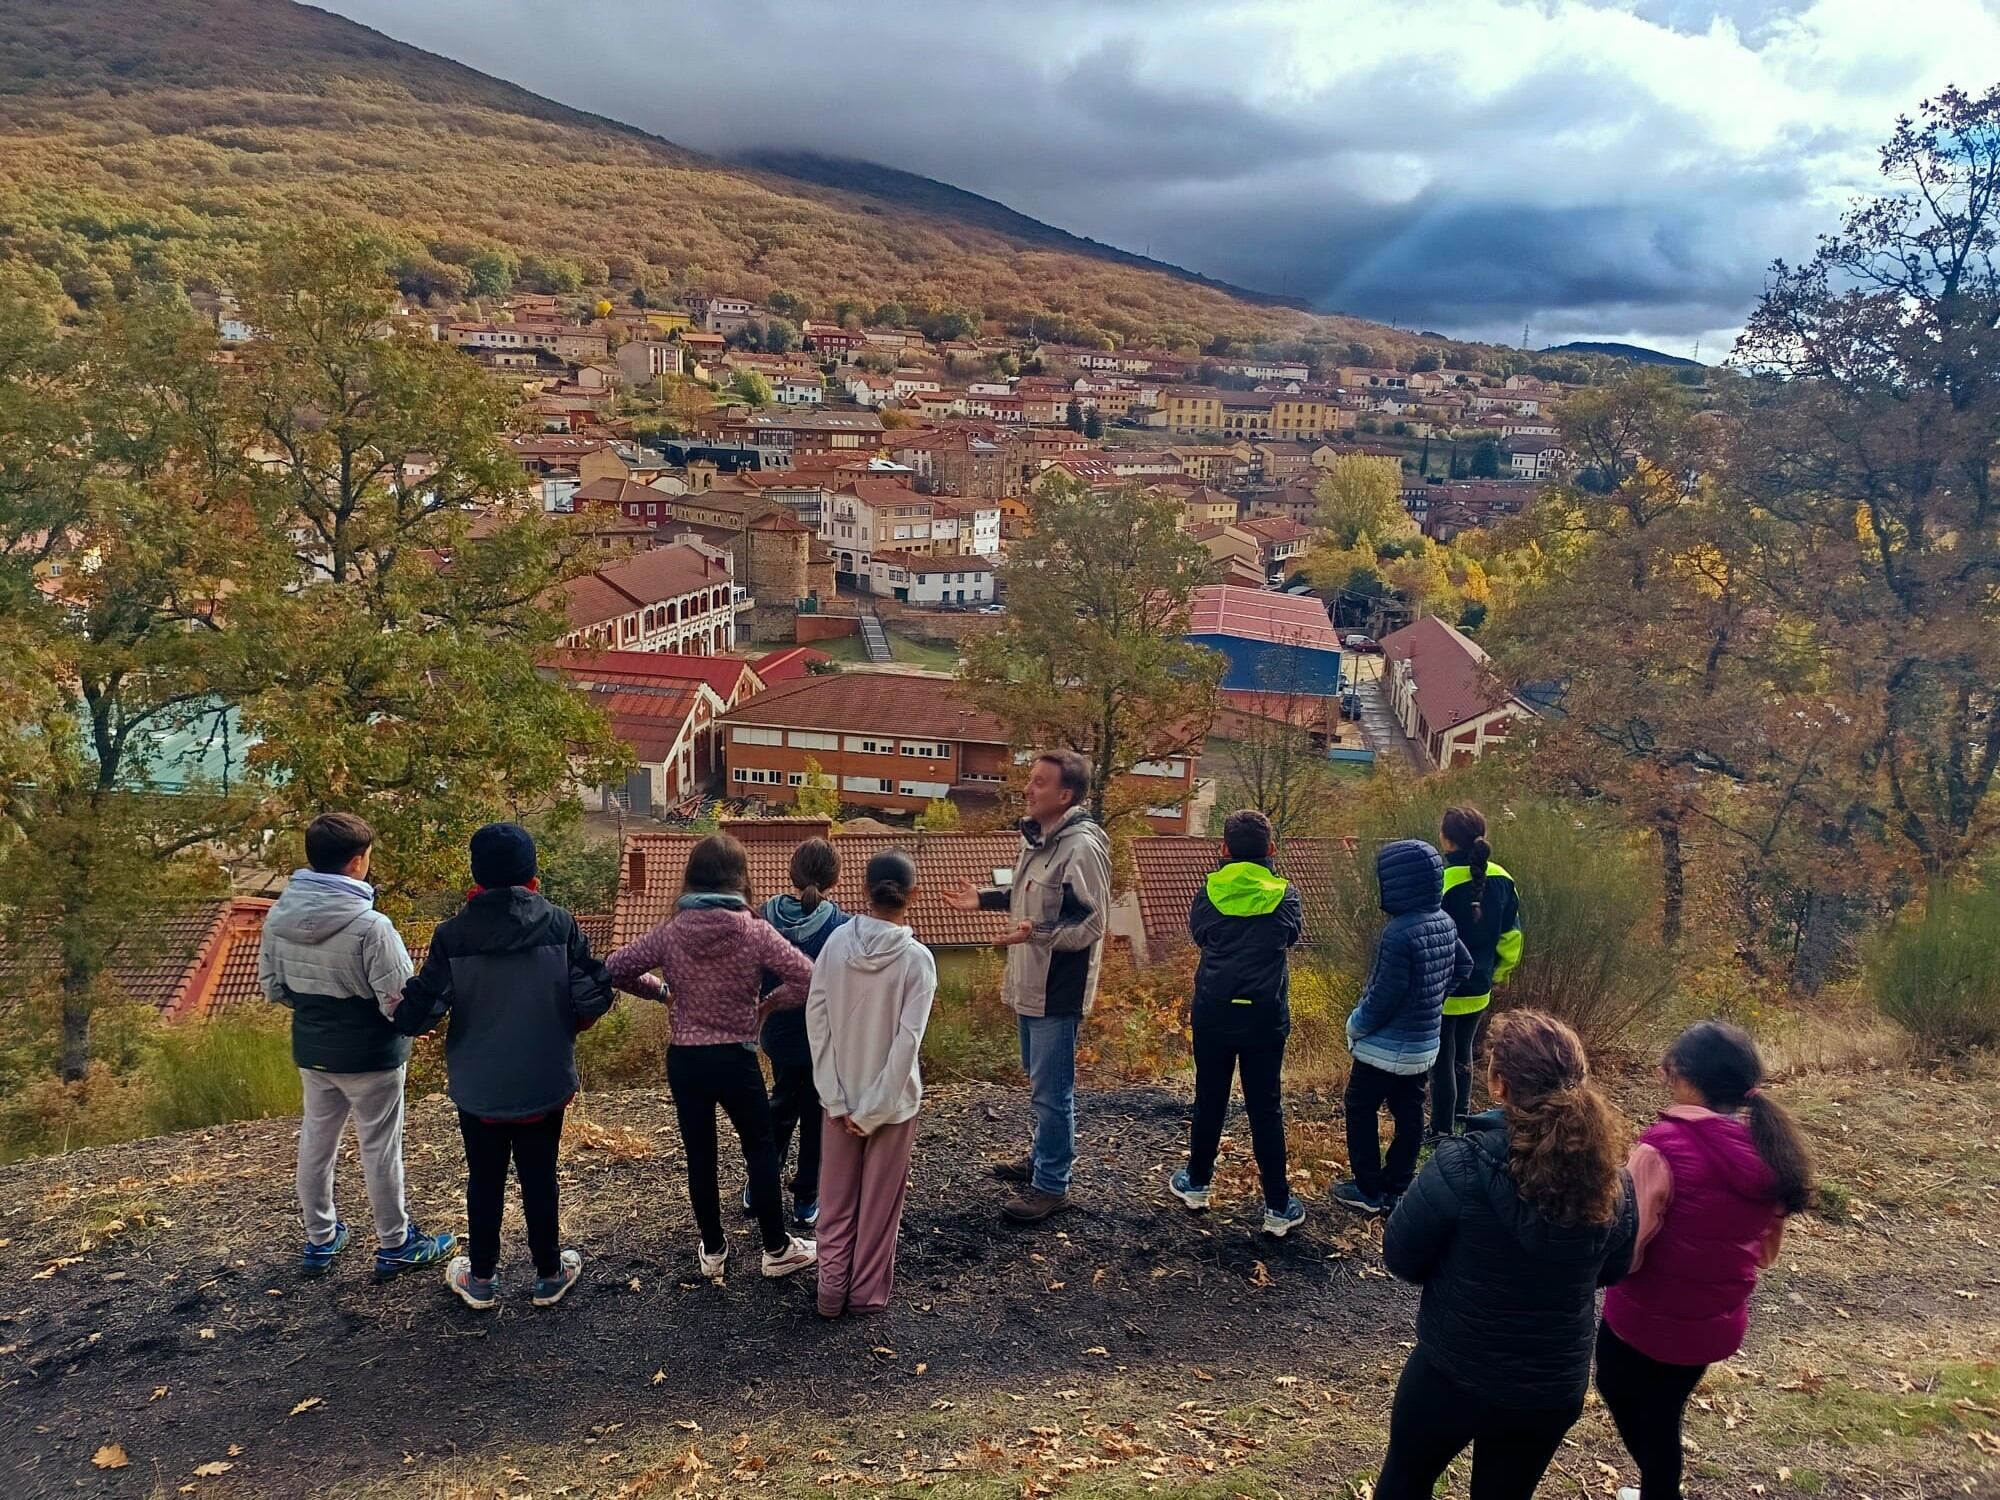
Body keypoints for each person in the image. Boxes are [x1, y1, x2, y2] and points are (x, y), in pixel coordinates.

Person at [1374, 1010, 1637, 1500]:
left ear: (1499, 1085)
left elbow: (1401, 1255)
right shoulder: (1613, 1181)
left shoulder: (1460, 1164)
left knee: (1404, 1484)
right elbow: (1615, 1268)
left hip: (1452, 1373)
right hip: (1549, 1389)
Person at [390, 824, 614, 1310]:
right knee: (541, 1175)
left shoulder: (452, 936)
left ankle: (482, 1278)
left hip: (480, 1088)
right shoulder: (560, 924)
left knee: (484, 1178)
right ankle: (549, 1273)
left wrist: (402, 1011)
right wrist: (571, 1024)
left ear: (477, 877)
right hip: (545, 1079)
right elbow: (594, 994)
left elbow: (419, 1014)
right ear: (533, 877)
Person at [1598, 1021, 1813, 1500]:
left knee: (1618, 1389)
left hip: (1643, 1319)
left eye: (1668, 1069)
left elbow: (1628, 1251)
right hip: (1712, 1326)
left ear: (1682, 1075)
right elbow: (1766, 1253)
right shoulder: (1770, 1151)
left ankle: (1660, 1491)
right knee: (1663, 1412)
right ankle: (1658, 1487)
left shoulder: (1660, 1149)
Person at [606, 833, 819, 1281]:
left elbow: (615, 969)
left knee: (699, 1154)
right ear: (740, 877)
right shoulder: (755, 931)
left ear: (693, 875)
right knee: (760, 1148)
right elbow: (808, 977)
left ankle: (714, 1248)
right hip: (736, 1059)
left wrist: (662, 992)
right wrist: (768, 1005)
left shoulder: (671, 932)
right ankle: (776, 1249)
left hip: (686, 1060)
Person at [258, 811, 453, 1279]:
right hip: (372, 1055)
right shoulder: (371, 926)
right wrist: (415, 1023)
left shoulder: (277, 916)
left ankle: (320, 1238)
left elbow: (273, 987)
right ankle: (395, 1242)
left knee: (316, 1141)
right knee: (379, 1147)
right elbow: (397, 1000)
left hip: (313, 1049)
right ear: (356, 862)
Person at [944, 749, 1113, 1224]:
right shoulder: (1039, 838)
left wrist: (1036, 934)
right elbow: (1030, 896)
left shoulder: (1082, 848)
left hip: (1058, 989)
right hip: (1029, 980)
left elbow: (1091, 922)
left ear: (1066, 795)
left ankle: (1053, 1185)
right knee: (1039, 1081)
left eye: (1040, 782)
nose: (1027, 788)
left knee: (1052, 1092)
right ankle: (1041, 1158)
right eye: (1030, 778)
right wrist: (984, 898)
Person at [806, 850, 936, 1318]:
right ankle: (865, 1297)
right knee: (879, 1209)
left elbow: (816, 1020)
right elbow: (907, 1044)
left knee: (835, 1201)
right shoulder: (918, 961)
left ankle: (829, 1294)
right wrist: (875, 1109)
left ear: (864, 889)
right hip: (894, 1107)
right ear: (913, 895)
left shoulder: (836, 943)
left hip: (838, 1096)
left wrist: (834, 1096)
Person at [1169, 809, 1308, 1236]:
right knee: (1265, 1105)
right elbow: (1290, 937)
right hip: (1265, 1016)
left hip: (1214, 1012)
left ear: (1225, 848)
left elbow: (1200, 936)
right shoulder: (1286, 896)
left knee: (1210, 1096)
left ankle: (1197, 1184)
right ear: (1271, 850)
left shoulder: (1208, 892)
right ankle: (1278, 1206)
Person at [1332, 839, 1472, 1215]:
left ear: (1397, 883)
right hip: (1423, 1046)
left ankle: (1367, 1190)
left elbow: (1383, 995)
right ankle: (1397, 1186)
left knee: (1360, 1108)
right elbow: (1465, 966)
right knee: (1409, 1111)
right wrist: (1434, 999)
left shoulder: (1398, 932)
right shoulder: (1445, 922)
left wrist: (1355, 1025)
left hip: (1383, 1048)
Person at [747, 838, 851, 1233]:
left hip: (777, 1034)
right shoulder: (841, 927)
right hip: (824, 1039)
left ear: (791, 873)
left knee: (779, 1105)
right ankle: (806, 1198)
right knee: (816, 1116)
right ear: (835, 879)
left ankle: (760, 1186)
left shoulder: (763, 917)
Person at [1432, 805, 1523, 1139]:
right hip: (1480, 986)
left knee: (1442, 1059)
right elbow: (1511, 935)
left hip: (1443, 989)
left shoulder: (1440, 881)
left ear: (1447, 840)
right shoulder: (1504, 878)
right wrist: (1499, 974)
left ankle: (1441, 1128)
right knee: (1464, 1054)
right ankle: (1461, 1119)